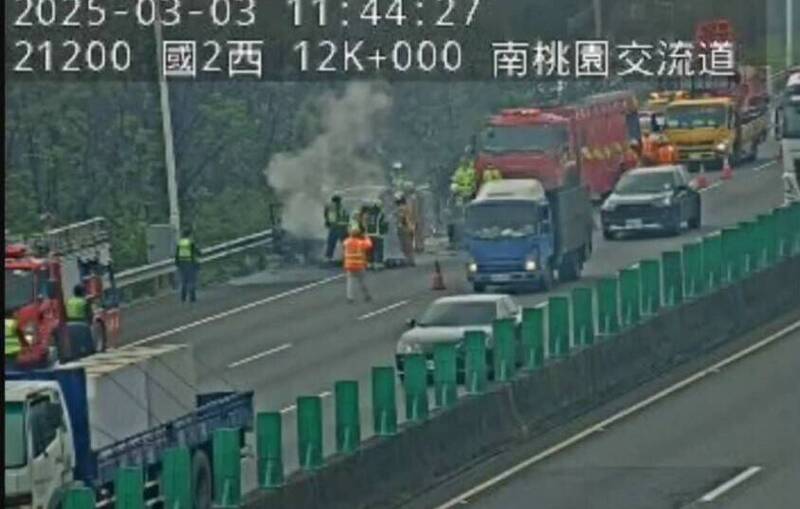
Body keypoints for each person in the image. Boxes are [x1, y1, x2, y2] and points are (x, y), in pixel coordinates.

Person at [343, 227, 373, 303]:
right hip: (359, 265)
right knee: (362, 282)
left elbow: (344, 244)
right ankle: (367, 295)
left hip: (349, 265)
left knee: (350, 282)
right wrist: (366, 237)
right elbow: (369, 245)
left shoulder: (346, 242)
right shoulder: (360, 243)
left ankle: (350, 297)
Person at [175, 229, 200, 303]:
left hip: (182, 263)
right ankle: (192, 297)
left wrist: (177, 263)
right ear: (189, 235)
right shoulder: (190, 242)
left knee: (184, 280)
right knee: (192, 280)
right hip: (190, 263)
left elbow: (177, 254)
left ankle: (183, 297)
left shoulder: (180, 243)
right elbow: (196, 252)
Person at [324, 195, 349, 262]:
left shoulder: (329, 207)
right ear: (339, 200)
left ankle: (328, 257)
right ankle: (347, 257)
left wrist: (327, 222)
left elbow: (326, 215)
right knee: (345, 243)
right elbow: (346, 217)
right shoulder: (342, 207)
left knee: (331, 243)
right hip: (342, 227)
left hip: (333, 227)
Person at [364, 202, 387, 269]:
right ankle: (378, 263)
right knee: (378, 249)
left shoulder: (368, 214)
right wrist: (384, 232)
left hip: (368, 234)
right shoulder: (381, 214)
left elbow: (365, 223)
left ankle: (369, 263)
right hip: (378, 234)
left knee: (369, 250)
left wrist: (366, 232)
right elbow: (383, 224)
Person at [396, 196, 415, 266]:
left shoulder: (401, 209)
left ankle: (407, 261)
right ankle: (411, 260)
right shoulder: (409, 208)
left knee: (405, 246)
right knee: (410, 246)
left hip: (404, 228)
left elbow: (402, 219)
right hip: (410, 228)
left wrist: (399, 224)